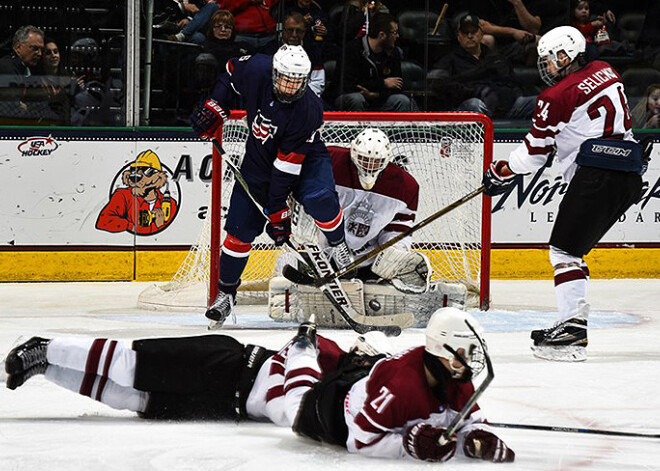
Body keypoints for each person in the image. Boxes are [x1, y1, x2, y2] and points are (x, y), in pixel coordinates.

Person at [481, 25, 648, 362]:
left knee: (563, 251)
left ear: (566, 55)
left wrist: (503, 170)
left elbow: (534, 154)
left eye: (551, 59)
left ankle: (572, 328)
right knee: (571, 251)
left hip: (598, 173)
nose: (546, 67)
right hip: (629, 172)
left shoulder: (554, 97)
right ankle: (569, 322)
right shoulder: (606, 70)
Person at [189, 44, 353, 329]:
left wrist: (277, 211)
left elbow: (286, 169)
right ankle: (225, 294)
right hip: (258, 161)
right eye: (285, 80)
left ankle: (339, 244)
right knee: (238, 233)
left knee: (320, 198)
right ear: (274, 73)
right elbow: (229, 73)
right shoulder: (256, 68)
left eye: (297, 82)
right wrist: (216, 104)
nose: (290, 88)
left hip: (306, 159)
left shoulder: (309, 109)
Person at [4, 327, 389, 424]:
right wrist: (304, 350)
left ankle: (46, 367)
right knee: (130, 366)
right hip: (228, 362)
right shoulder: (331, 356)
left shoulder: (335, 387)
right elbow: (296, 352)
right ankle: (47, 346)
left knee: (132, 400)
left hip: (222, 405)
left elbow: (292, 405)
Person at [282, 307, 515, 463]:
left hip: (368, 381)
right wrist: (408, 445)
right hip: (330, 411)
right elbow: (361, 441)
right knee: (297, 400)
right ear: (441, 350)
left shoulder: (455, 374)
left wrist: (479, 438)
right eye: (464, 352)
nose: (469, 361)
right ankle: (303, 346)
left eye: (474, 351)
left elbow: (470, 422)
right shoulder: (401, 386)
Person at [429, 13, 536, 120]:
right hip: (473, 106)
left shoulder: (496, 57)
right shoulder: (449, 59)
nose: (470, 36)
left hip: (507, 107)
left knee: (539, 102)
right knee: (475, 104)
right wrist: (475, 90)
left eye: (474, 32)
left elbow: (512, 81)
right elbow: (438, 85)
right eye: (465, 33)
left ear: (481, 34)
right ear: (459, 37)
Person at [333, 12, 414, 112]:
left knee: (402, 100)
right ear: (382, 35)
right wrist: (383, 83)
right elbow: (350, 85)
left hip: (379, 99)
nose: (397, 36)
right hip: (351, 97)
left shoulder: (394, 53)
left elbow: (397, 87)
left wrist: (374, 95)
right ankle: (357, 128)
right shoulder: (352, 49)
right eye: (394, 33)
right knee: (357, 99)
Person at [265, 12, 326, 96]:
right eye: (290, 30)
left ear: (304, 32)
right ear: (283, 30)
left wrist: (299, 95)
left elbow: (318, 82)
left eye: (299, 31)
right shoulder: (270, 49)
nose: (294, 35)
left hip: (306, 99)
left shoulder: (313, 50)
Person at [0, 25, 46, 123]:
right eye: (35, 48)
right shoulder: (6, 67)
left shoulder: (27, 69)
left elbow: (42, 105)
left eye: (41, 49)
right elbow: (12, 111)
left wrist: (26, 107)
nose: (39, 54)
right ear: (18, 47)